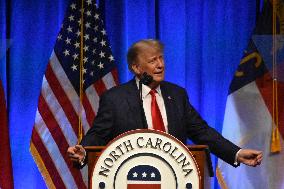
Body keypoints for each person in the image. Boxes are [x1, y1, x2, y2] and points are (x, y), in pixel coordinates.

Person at [67, 39, 262, 167]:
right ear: (136, 67)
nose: (161, 65)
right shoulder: (115, 98)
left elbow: (202, 132)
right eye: (153, 60)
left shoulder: (177, 95)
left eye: (161, 58)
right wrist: (83, 150)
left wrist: (237, 153)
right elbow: (99, 134)